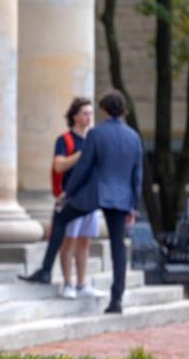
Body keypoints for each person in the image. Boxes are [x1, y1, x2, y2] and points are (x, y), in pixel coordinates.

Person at [19, 91, 143, 314]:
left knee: (60, 216)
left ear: (104, 109)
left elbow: (84, 167)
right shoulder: (133, 136)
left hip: (94, 194)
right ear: (123, 110)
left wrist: (68, 193)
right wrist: (133, 206)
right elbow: (137, 175)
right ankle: (116, 300)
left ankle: (46, 269)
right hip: (121, 198)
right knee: (118, 247)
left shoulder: (96, 134)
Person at [52, 97, 102, 300]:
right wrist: (82, 154)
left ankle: (82, 283)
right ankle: (68, 283)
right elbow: (59, 165)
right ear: (75, 116)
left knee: (85, 243)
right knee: (69, 242)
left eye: (91, 113)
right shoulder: (65, 140)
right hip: (72, 199)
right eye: (85, 113)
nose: (89, 117)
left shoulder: (94, 139)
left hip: (90, 199)